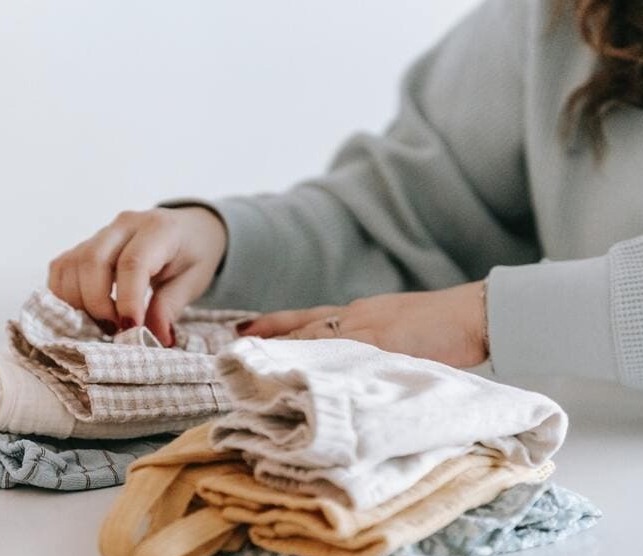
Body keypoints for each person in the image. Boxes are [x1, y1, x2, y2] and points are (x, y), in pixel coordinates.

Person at [47, 0, 643, 389]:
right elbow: (409, 221)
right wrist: (221, 239)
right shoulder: (556, 19)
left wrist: (485, 317)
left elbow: (446, 316)